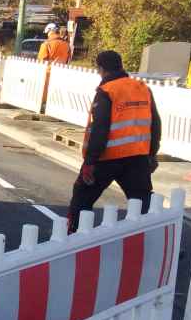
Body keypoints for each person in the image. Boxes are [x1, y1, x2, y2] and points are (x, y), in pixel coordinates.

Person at [67, 50, 161, 233]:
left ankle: (72, 234)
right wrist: (152, 154)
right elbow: (155, 124)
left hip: (107, 158)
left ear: (101, 69)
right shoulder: (143, 88)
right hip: (137, 158)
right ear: (121, 66)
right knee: (142, 202)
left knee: (82, 195)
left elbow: (100, 128)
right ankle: (156, 237)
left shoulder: (107, 91)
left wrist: (90, 161)